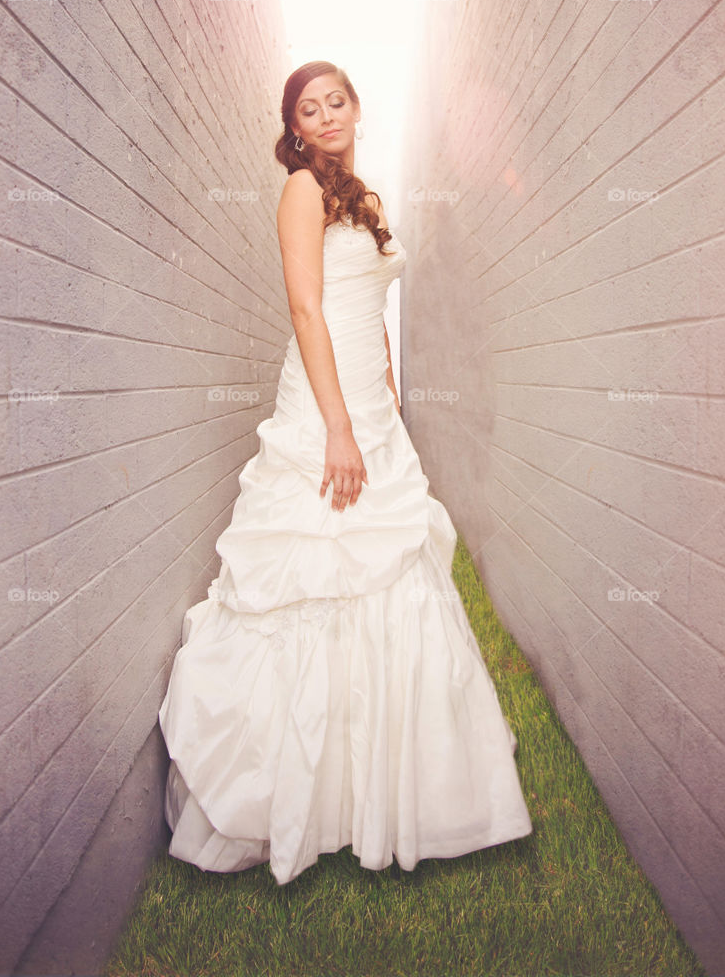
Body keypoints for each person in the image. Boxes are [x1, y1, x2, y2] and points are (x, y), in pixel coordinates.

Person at [158, 61, 533, 885]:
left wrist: (388, 394)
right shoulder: (300, 191)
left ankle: (393, 784)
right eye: (308, 109)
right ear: (293, 128)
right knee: (320, 563)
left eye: (335, 101)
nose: (324, 116)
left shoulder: (363, 195)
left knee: (391, 566)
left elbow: (371, 307)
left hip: (371, 399)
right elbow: (306, 307)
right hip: (326, 405)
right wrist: (336, 426)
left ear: (356, 108)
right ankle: (299, 793)